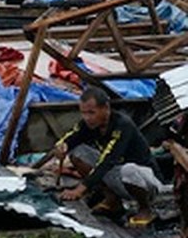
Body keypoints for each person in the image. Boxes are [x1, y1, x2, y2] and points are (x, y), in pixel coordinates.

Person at [53, 86, 162, 227]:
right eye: (83, 113)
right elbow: (71, 136)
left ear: (106, 108)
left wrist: (80, 189)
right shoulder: (88, 125)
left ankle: (145, 209)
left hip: (145, 179)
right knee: (78, 152)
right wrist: (62, 147)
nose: (87, 118)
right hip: (118, 174)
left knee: (128, 170)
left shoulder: (122, 125)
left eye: (92, 112)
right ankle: (112, 201)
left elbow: (108, 159)